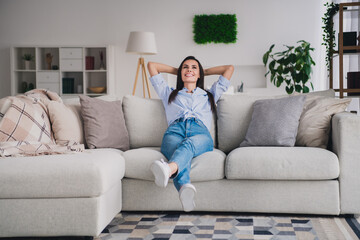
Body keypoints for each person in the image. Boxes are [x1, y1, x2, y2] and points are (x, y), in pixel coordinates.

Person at [147, 56, 234, 212]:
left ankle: (168, 169)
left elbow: (229, 69)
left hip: (200, 133)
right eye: (185, 67)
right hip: (174, 131)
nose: (189, 70)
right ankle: (184, 190)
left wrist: (203, 71)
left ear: (199, 73)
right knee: (179, 151)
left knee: (187, 145)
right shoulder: (169, 93)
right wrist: (179, 71)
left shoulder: (210, 94)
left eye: (194, 67)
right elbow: (152, 65)